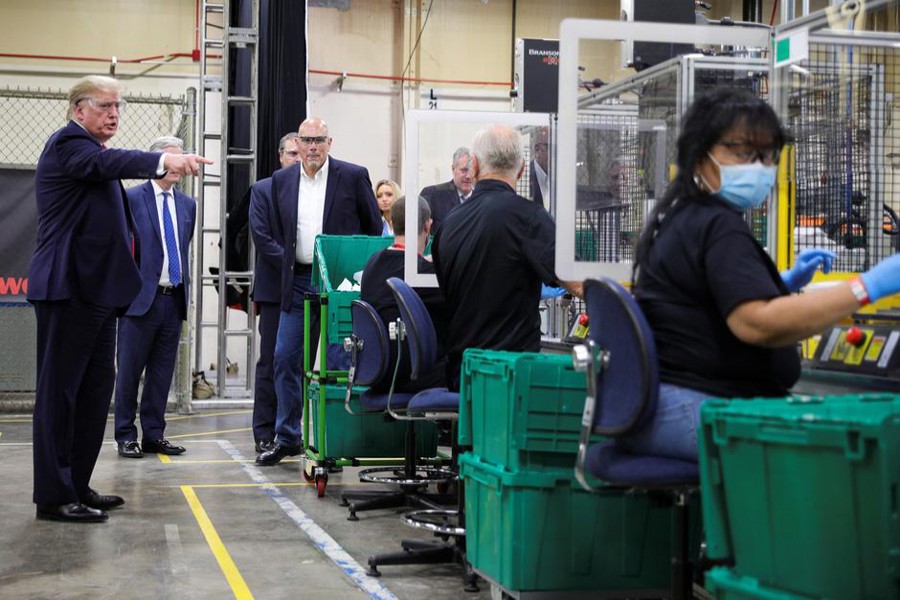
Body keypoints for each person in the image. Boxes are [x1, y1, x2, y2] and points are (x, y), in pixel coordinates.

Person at [627, 87, 900, 462]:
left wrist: (780, 285)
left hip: (669, 404)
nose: (758, 166)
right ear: (700, 154)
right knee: (852, 454)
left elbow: (700, 299)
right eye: (742, 152)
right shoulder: (717, 225)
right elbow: (755, 324)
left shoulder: (681, 215)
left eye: (768, 155)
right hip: (699, 409)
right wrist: (869, 285)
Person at [27, 75, 211, 522]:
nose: (113, 114)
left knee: (93, 393)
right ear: (79, 110)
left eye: (118, 106)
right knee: (61, 394)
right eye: (104, 106)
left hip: (97, 293)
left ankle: (76, 485)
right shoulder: (68, 145)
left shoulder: (96, 152)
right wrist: (165, 158)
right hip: (67, 288)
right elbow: (111, 167)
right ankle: (53, 497)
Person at [258, 117, 382, 466]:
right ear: (296, 143)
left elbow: (373, 229)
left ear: (330, 142)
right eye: (307, 141)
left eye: (319, 140)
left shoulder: (353, 175)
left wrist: (358, 277)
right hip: (296, 283)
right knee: (283, 357)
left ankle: (334, 440)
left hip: (338, 285)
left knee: (338, 363)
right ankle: (288, 437)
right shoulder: (282, 180)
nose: (312, 147)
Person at [432, 125, 582, 391]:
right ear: (523, 169)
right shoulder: (530, 218)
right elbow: (579, 283)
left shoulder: (447, 226)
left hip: (461, 376)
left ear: (474, 165)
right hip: (513, 380)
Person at [114, 136, 196, 459]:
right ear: (157, 162)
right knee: (130, 372)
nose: (178, 167)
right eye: (172, 159)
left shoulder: (188, 205)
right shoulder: (133, 198)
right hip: (139, 301)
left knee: (162, 373)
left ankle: (154, 433)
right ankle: (125, 435)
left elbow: (182, 247)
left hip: (172, 299)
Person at [247, 132, 301, 455]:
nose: (297, 158)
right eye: (292, 153)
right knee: (271, 362)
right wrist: (296, 265)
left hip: (305, 289)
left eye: (300, 153)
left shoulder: (312, 192)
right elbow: (263, 238)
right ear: (281, 156)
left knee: (298, 366)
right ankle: (264, 432)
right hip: (273, 289)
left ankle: (291, 432)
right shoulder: (263, 190)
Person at [360, 195, 448, 392]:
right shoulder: (421, 274)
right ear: (428, 227)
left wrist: (426, 263)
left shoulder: (373, 263)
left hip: (379, 374)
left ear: (392, 223)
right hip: (412, 377)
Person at [419, 147, 473, 233]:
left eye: (472, 171)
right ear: (453, 168)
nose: (468, 176)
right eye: (464, 170)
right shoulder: (433, 196)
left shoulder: (484, 199)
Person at [529, 127, 550, 210]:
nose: (557, 151)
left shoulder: (561, 177)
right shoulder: (525, 174)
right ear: (537, 150)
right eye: (550, 147)